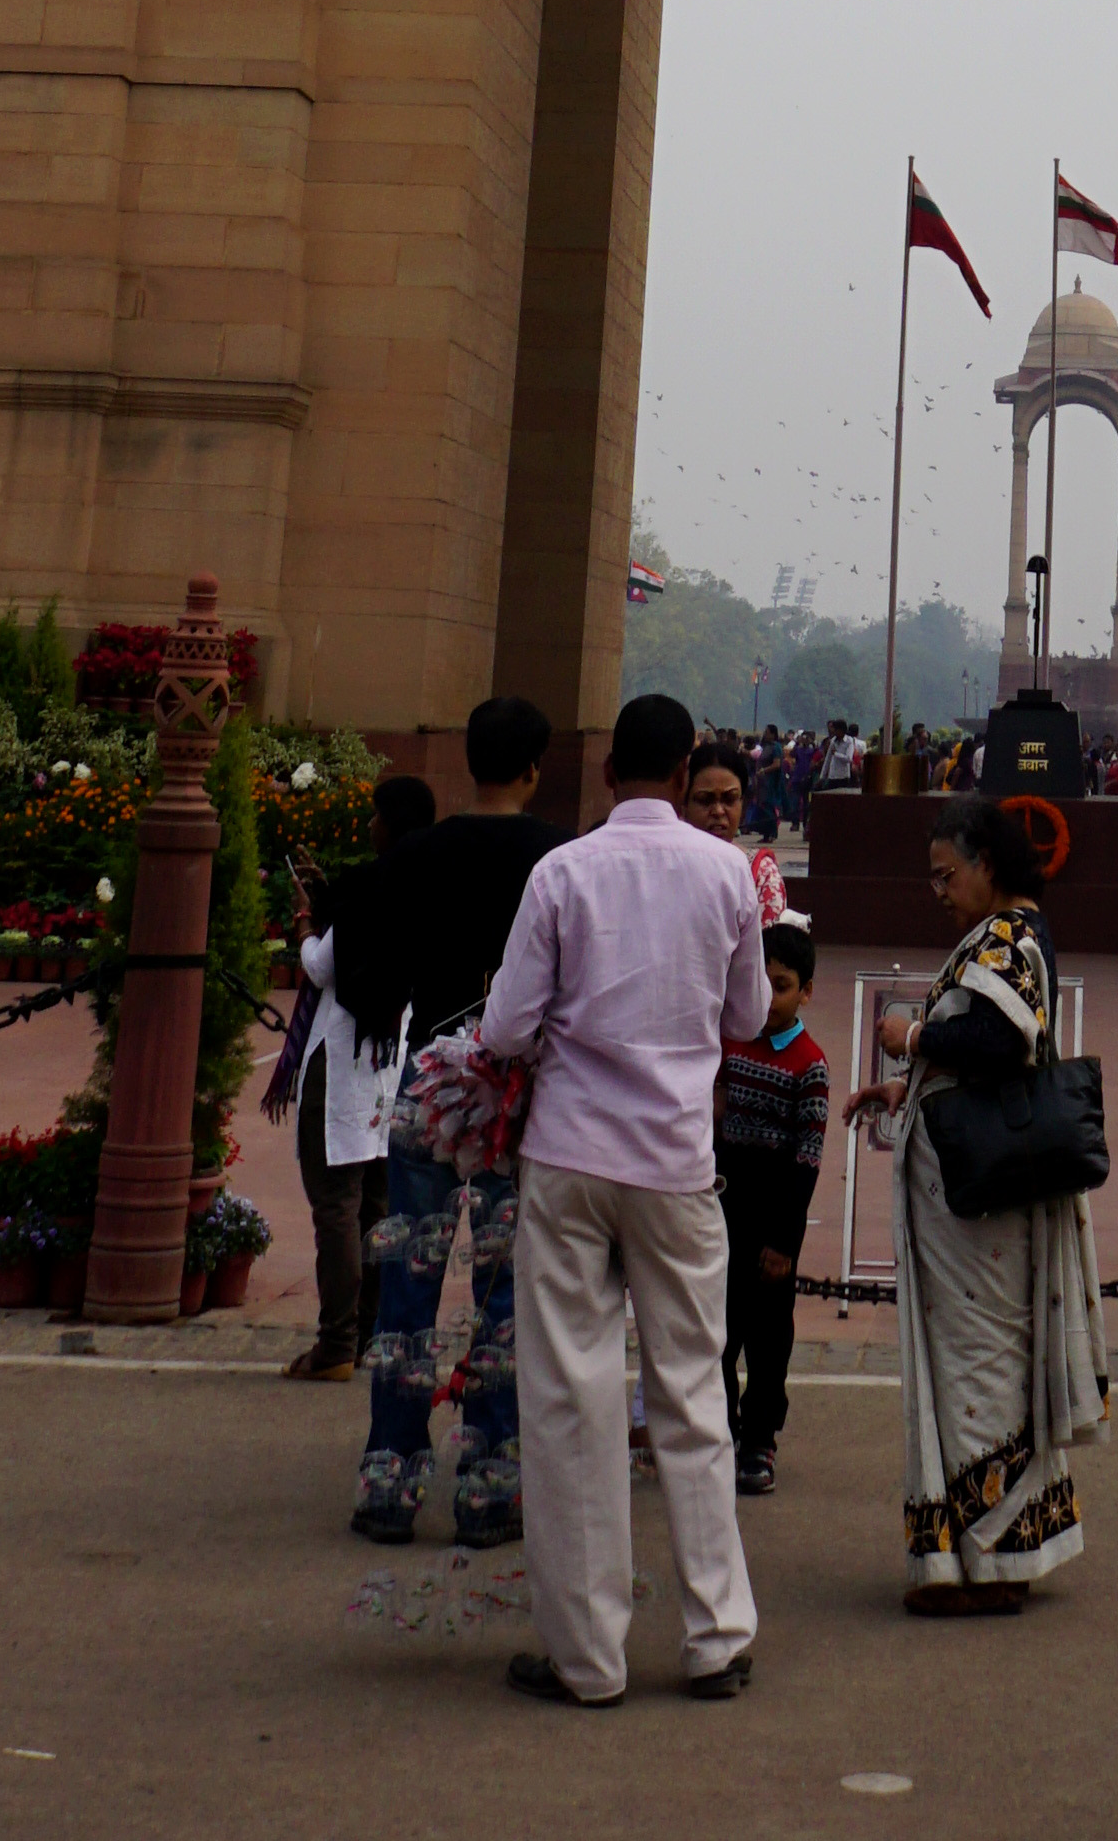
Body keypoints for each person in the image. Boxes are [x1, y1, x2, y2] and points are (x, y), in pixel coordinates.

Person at [480, 685, 764, 1707]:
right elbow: (749, 1015)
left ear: (607, 772)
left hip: (570, 1154)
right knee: (692, 1392)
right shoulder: (727, 871)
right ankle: (716, 1637)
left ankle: (588, 1656)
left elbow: (506, 1028)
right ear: (686, 775)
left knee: (571, 1399)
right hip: (676, 1160)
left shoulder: (563, 870)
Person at [855, 797, 1107, 1614]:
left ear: (986, 865)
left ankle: (989, 1557)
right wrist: (908, 1084)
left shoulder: (1006, 938)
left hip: (978, 1211)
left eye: (946, 874)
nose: (938, 891)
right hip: (981, 1192)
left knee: (978, 1361)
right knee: (985, 1357)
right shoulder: (1013, 934)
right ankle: (1001, 1546)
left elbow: (1004, 1044)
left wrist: (912, 1038)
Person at [348, 693, 554, 1551]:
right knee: (504, 1294)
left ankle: (389, 1483)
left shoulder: (415, 855)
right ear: (535, 768)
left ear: (470, 761)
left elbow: (369, 974)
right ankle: (489, 1490)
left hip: (430, 1081)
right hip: (516, 1095)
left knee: (409, 1285)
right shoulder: (556, 858)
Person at [272, 766, 436, 1384]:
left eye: (376, 815)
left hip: (342, 1055)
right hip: (390, 1055)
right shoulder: (423, 882)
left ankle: (336, 1341)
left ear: (390, 824)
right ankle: (368, 1332)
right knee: (374, 1200)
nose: (369, 825)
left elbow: (322, 967)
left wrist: (305, 923)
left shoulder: (370, 884)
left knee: (336, 1203)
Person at [716, 918, 830, 1494]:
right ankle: (720, 1432)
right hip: (721, 1214)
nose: (768, 997)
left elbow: (806, 1161)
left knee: (767, 1339)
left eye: (781, 986)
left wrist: (784, 1242)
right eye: (760, 984)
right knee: (717, 1333)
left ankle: (759, 1439)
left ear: (805, 991)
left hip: (772, 1221)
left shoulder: (810, 1064)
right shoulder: (731, 1043)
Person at [683, 740, 790, 927]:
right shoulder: (666, 867)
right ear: (683, 805)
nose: (718, 811)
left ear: (742, 803)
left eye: (729, 799)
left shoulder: (760, 874)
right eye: (705, 800)